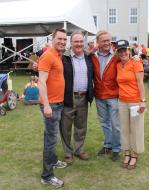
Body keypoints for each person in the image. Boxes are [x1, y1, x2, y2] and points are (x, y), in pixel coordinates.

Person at [38, 28, 67, 188]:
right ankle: (47, 176)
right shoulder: (48, 55)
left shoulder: (57, 55)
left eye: (64, 39)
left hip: (58, 103)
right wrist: (47, 105)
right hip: (51, 105)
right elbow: (41, 82)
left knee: (50, 136)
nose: (62, 42)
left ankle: (54, 160)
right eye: (59, 39)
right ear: (52, 38)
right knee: (51, 140)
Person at [60, 31, 94, 164]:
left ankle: (79, 150)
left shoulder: (89, 57)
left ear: (83, 43)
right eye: (76, 42)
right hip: (69, 97)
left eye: (81, 41)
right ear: (71, 43)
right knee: (65, 127)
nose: (79, 44)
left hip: (84, 97)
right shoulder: (64, 58)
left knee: (81, 126)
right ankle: (68, 153)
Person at [115, 40, 146, 169]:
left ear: (129, 50)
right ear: (117, 52)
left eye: (124, 50)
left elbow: (140, 83)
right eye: (120, 50)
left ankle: (134, 154)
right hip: (122, 101)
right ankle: (126, 152)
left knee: (136, 129)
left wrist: (143, 101)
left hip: (135, 101)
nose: (122, 52)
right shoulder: (117, 65)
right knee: (124, 129)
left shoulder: (136, 63)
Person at [91, 30, 121, 161]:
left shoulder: (116, 56)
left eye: (109, 40)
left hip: (113, 95)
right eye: (104, 41)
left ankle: (116, 148)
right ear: (98, 42)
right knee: (104, 123)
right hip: (99, 95)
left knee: (115, 124)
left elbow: (128, 61)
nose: (108, 43)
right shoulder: (92, 56)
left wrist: (136, 58)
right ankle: (108, 145)